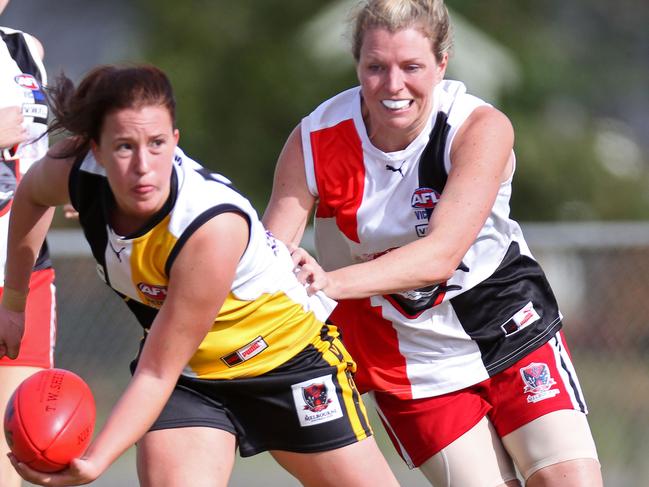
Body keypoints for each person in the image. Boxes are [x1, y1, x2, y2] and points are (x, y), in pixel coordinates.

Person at [0, 64, 400, 487]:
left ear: (175, 140)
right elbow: (30, 196)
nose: (142, 166)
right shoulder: (76, 172)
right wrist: (13, 303)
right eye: (123, 147)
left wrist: (96, 461)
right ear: (95, 150)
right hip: (189, 378)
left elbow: (155, 371)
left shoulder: (210, 226)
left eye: (156, 144)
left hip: (286, 363)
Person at [262, 1, 602, 486]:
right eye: (375, 67)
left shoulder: (479, 128)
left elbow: (440, 255)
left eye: (411, 67)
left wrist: (328, 281)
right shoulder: (316, 140)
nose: (393, 85)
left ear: (442, 63)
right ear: (357, 64)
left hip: (504, 317)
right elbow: (270, 258)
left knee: (567, 479)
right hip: (403, 350)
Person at [0, 1, 57, 486]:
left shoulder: (24, 50)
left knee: (16, 447)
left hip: (24, 270)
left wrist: (77, 177)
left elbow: (43, 147)